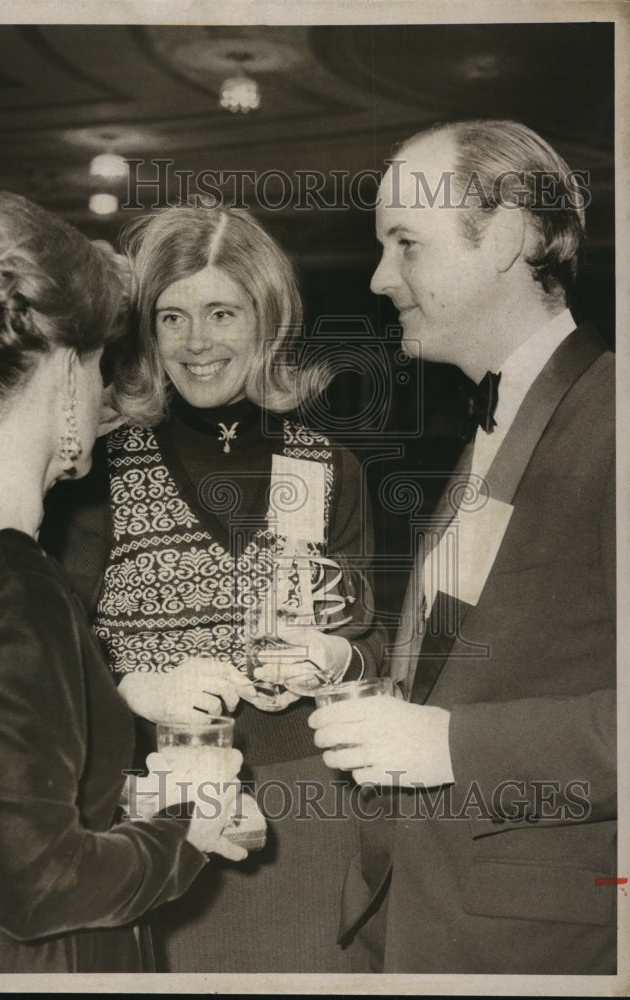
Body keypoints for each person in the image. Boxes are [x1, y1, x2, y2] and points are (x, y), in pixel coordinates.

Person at [0, 190, 247, 975]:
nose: (108, 390)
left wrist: (128, 805)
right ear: (66, 367)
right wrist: (190, 826)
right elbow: (42, 887)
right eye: (103, 362)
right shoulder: (12, 583)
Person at [309, 120, 616, 974]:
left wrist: (446, 746)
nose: (379, 278)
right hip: (428, 918)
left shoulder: (616, 418)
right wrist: (348, 670)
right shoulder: (504, 413)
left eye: (405, 243)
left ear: (511, 235)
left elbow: (452, 726)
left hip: (543, 940)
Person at [43, 206, 384, 973]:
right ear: (147, 331)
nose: (195, 343)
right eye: (172, 317)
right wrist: (138, 683)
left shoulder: (327, 465)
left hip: (306, 805)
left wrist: (332, 657)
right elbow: (53, 651)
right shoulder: (94, 469)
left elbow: (373, 644)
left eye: (221, 313)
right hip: (153, 804)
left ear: (267, 319)